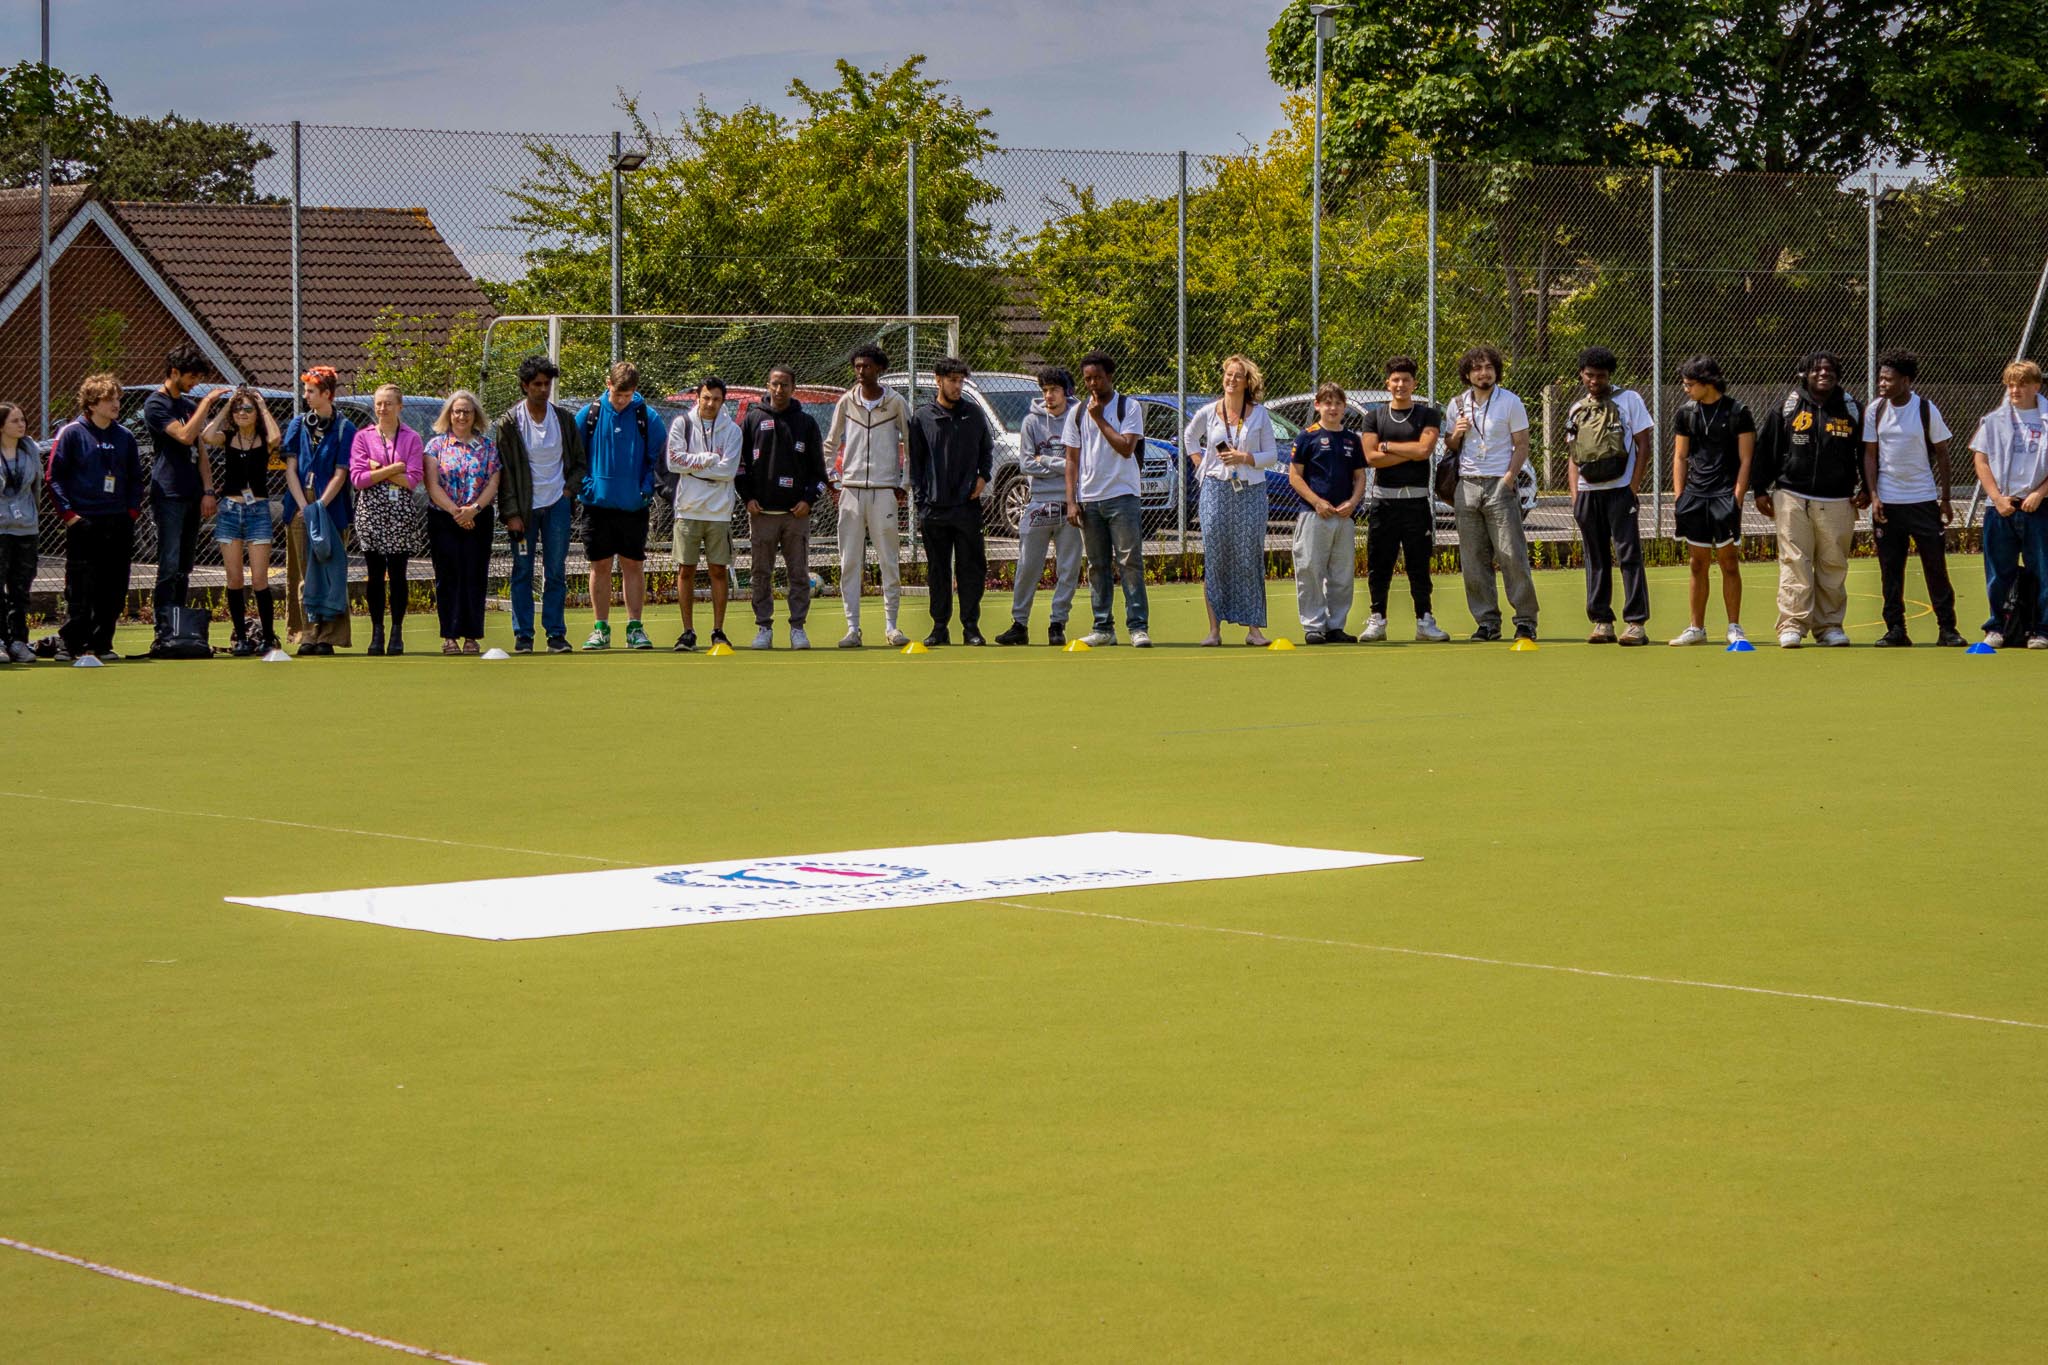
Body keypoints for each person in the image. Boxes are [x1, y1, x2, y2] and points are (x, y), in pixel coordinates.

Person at [1756, 351, 1863, 648]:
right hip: (1792, 494)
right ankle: (1792, 624)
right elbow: (1767, 448)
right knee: (1795, 561)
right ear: (1804, 374)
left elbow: (1866, 452)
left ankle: (1829, 626)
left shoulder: (1852, 408)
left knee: (1833, 563)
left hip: (1838, 497)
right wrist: (1760, 488)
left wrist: (1867, 487)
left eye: (1829, 370)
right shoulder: (1787, 407)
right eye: (1817, 370)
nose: (1823, 374)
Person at [1863, 349, 1964, 647]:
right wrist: (1874, 495)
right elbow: (1869, 456)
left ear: (1906, 381)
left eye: (1888, 379)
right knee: (1890, 569)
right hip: (1888, 503)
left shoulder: (1925, 410)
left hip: (1921, 500)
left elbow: (1943, 454)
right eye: (1880, 378)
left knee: (1935, 566)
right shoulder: (1875, 410)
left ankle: (1947, 629)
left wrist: (1944, 498)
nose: (1882, 383)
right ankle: (1896, 629)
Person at [46, 373, 143, 662]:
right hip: (84, 521)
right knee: (80, 585)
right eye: (109, 399)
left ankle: (102, 643)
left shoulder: (125, 436)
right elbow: (54, 477)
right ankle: (72, 644)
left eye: (117, 399)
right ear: (92, 403)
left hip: (118, 520)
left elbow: (136, 479)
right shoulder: (72, 433)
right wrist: (70, 515)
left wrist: (131, 512)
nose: (116, 404)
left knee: (114, 584)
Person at [1443, 344, 1537, 641]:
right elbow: (1450, 445)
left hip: (1499, 482)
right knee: (1472, 559)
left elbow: (1521, 443)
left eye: (1488, 368)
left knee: (1511, 554)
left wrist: (1509, 478)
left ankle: (1525, 620)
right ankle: (1487, 622)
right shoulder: (1457, 404)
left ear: (1496, 371)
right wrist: (1456, 433)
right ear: (1467, 373)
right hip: (1467, 485)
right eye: (1477, 368)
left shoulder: (1510, 401)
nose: (1483, 373)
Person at [495, 355, 587, 655]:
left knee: (556, 571)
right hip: (523, 511)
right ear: (525, 386)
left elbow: (578, 463)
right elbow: (504, 472)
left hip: (557, 507)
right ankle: (523, 635)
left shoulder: (563, 419)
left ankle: (556, 634)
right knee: (522, 570)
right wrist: (510, 513)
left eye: (547, 384)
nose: (543, 389)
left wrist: (568, 492)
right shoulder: (510, 423)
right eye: (537, 384)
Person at [1565, 346, 1655, 645]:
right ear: (1581, 374)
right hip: (1589, 494)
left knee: (1629, 554)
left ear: (1609, 376)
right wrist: (1575, 496)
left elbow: (1644, 443)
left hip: (1620, 490)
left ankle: (1635, 622)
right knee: (1596, 556)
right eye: (1589, 375)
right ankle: (1602, 620)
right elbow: (1573, 455)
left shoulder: (1630, 400)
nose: (1594, 381)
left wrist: (1633, 486)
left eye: (1600, 376)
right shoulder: (1577, 409)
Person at [824, 344, 912, 648]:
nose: (861, 372)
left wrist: (905, 482)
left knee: (889, 560)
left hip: (884, 491)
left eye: (867, 367)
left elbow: (911, 444)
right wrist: (832, 479)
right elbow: (831, 442)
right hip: (850, 492)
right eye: (857, 367)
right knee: (849, 561)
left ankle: (892, 626)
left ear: (880, 369)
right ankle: (852, 628)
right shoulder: (846, 402)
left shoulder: (896, 402)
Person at [1188, 355, 1279, 646]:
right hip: (1215, 489)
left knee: (1248, 557)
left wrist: (1245, 458)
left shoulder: (1260, 414)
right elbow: (1190, 437)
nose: (1231, 379)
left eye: (1238, 375)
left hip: (1250, 491)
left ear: (1247, 381)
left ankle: (1254, 631)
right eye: (1228, 374)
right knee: (1215, 556)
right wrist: (1200, 464)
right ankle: (1214, 631)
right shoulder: (1208, 411)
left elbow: (1272, 455)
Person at [1358, 356, 1449, 643]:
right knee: (1379, 563)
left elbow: (1424, 450)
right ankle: (1377, 619)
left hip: (1417, 503)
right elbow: (1371, 457)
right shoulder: (1374, 417)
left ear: (1414, 384)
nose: (1400, 385)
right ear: (1388, 384)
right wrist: (1404, 451)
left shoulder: (1428, 415)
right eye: (1395, 380)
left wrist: (1388, 447)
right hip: (1384, 503)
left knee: (1418, 564)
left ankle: (1424, 619)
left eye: (1406, 380)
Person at [575, 362, 665, 651]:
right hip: (596, 506)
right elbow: (575, 458)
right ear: (607, 384)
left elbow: (658, 461)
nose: (622, 400)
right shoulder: (589, 415)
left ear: (635, 391)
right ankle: (600, 628)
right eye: (617, 394)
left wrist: (644, 490)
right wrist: (588, 488)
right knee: (599, 565)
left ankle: (634, 627)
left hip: (633, 507)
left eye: (628, 395)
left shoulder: (647, 418)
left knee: (633, 564)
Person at [1667, 355, 1756, 647]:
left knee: (1729, 563)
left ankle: (1734, 626)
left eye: (1690, 384)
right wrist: (1680, 496)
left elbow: (1746, 460)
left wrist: (1737, 498)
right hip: (1695, 496)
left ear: (1708, 383)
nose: (1686, 389)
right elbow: (1680, 456)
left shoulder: (1738, 412)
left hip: (1724, 496)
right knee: (1696, 563)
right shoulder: (1686, 413)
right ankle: (1697, 628)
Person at [141, 346, 226, 647]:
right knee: (169, 564)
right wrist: (205, 403)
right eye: (191, 377)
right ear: (174, 372)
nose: (194, 383)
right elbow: (185, 435)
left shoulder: (189, 404)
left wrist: (208, 489)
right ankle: (162, 628)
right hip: (169, 494)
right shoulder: (155, 405)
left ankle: (179, 625)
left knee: (184, 567)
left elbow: (199, 449)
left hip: (192, 493)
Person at [1064, 350, 1151, 648]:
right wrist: (1072, 500)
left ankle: (1138, 626)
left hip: (1122, 495)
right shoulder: (1076, 412)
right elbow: (1071, 460)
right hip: (1089, 498)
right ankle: (1103, 627)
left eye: (1098, 378)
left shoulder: (1129, 407)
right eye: (1087, 379)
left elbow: (1126, 448)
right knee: (1097, 564)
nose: (1092, 384)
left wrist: (1100, 419)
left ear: (1109, 376)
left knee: (1129, 562)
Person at [736, 364, 825, 650]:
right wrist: (747, 497)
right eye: (774, 384)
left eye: (784, 384)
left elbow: (820, 475)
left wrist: (808, 501)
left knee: (798, 573)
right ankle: (764, 627)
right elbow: (739, 467)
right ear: (767, 385)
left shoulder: (807, 424)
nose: (778, 389)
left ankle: (798, 628)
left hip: (794, 516)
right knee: (760, 573)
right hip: (762, 515)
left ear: (793, 388)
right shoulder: (751, 420)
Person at [907, 356, 994, 645]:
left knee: (971, 568)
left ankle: (971, 627)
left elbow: (986, 452)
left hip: (967, 508)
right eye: (952, 380)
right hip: (934, 509)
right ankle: (939, 627)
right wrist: (922, 502)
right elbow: (915, 466)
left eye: (960, 381)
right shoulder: (921, 418)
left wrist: (983, 477)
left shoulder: (974, 414)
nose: (958, 386)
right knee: (937, 570)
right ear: (938, 380)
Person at [996, 366, 1084, 647]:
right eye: (1045, 391)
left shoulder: (1079, 418)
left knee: (1068, 568)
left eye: (1054, 390)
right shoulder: (1031, 422)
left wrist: (1046, 461)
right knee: (1027, 567)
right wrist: (1064, 465)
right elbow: (1025, 464)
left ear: (1066, 392)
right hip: (1038, 504)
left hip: (1070, 504)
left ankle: (1057, 624)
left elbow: (1080, 465)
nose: (1048, 396)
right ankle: (1019, 624)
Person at [1967, 359, 2048, 649]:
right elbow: (1981, 460)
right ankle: (1997, 626)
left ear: (2036, 386)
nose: (2015, 389)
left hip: (2039, 506)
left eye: (2022, 383)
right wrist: (1997, 498)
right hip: (2001, 507)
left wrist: (2039, 493)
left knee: (2043, 569)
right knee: (1998, 570)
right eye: (2011, 384)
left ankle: (2042, 629)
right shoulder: (1994, 420)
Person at [280, 367, 357, 655]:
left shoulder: (345, 428)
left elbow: (341, 472)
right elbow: (290, 468)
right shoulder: (298, 424)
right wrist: (304, 506)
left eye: (311, 391)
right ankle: (307, 632)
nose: (306, 396)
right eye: (306, 391)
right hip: (300, 505)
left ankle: (329, 635)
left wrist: (320, 506)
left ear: (327, 394)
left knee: (330, 571)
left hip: (331, 506)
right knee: (303, 571)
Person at [200, 385, 282, 655]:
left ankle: (268, 637)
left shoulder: (262, 437)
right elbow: (207, 435)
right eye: (239, 409)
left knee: (259, 579)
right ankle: (242, 638)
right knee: (235, 578)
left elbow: (276, 438)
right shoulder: (228, 436)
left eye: (248, 409)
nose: (242, 413)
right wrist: (226, 405)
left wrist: (262, 405)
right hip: (230, 511)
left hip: (258, 510)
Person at [665, 375, 742, 652]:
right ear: (697, 397)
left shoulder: (732, 431)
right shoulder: (681, 424)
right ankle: (687, 632)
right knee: (686, 569)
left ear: (724, 401)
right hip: (688, 509)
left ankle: (718, 631)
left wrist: (694, 465)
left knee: (718, 570)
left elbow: (728, 471)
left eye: (716, 399)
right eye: (706, 397)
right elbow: (673, 462)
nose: (710, 403)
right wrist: (707, 460)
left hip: (719, 511)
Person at [349, 384, 426, 656]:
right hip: (371, 512)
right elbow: (358, 479)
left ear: (399, 407)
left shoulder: (412, 438)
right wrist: (394, 468)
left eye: (389, 403)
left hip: (399, 513)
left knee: (397, 574)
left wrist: (377, 468)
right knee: (374, 575)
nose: (383, 408)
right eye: (379, 403)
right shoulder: (363, 437)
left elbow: (413, 479)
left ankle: (396, 630)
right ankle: (376, 630)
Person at [1286, 382, 1364, 646]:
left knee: (1341, 575)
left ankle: (1335, 626)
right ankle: (1313, 626)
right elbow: (1295, 477)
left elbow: (1360, 477)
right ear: (1317, 405)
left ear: (1344, 407)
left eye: (1338, 403)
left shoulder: (1353, 440)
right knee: (1310, 569)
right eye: (1327, 403)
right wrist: (1317, 502)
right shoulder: (1306, 437)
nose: (1333, 408)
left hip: (1344, 517)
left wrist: (1353, 503)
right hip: (1314, 515)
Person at [424, 391, 500, 655]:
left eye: (467, 411)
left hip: (478, 518)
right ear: (449, 414)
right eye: (457, 411)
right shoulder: (435, 446)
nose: (461, 416)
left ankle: (471, 636)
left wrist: (474, 510)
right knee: (448, 577)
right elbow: (432, 485)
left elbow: (493, 481)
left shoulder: (488, 446)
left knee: (474, 576)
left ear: (475, 415)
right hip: (444, 518)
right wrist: (456, 512)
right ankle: (450, 637)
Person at [0, 402, 42, 664]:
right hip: (0, 528)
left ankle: (18, 641)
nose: (21, 424)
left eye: (23, 419)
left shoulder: (30, 450)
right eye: (14, 421)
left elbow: (35, 489)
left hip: (26, 528)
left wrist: (32, 517)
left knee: (20, 589)